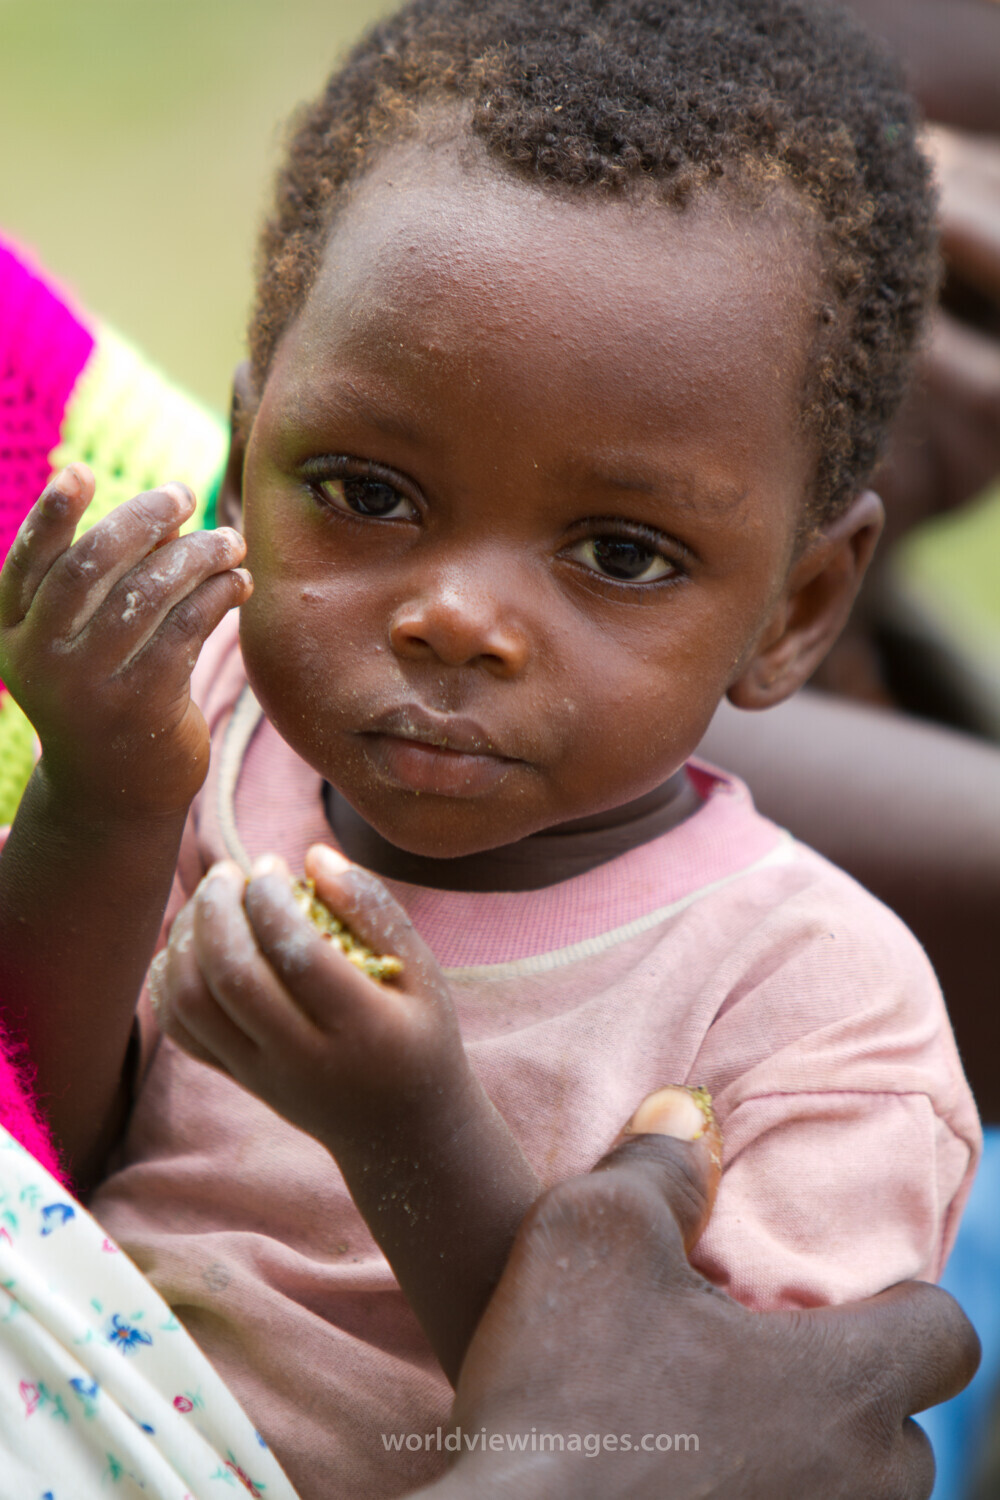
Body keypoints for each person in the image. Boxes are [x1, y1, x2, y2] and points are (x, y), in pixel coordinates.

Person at [0, 0, 982, 1494]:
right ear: (243, 442)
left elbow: (693, 1443)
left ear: (798, 609)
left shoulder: (813, 1010)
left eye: (622, 552)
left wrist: (411, 1134)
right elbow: (49, 1147)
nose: (458, 618)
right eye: (366, 491)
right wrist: (102, 804)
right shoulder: (209, 734)